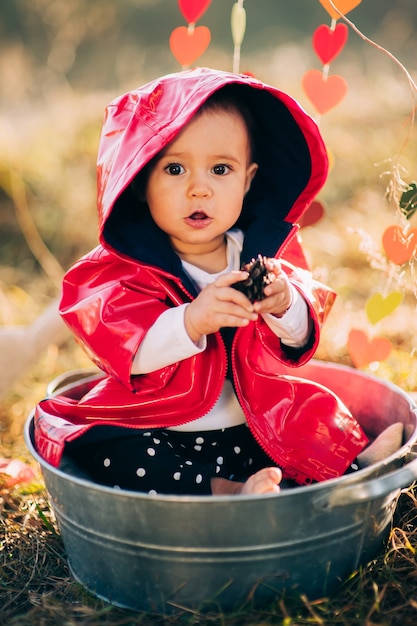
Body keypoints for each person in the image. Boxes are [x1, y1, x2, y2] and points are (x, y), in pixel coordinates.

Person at [34, 67, 379, 496]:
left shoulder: (262, 254)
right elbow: (126, 350)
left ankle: (358, 462)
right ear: (140, 182)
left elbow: (302, 338)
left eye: (220, 169)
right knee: (111, 451)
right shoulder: (124, 269)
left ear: (248, 180)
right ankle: (229, 492)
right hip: (161, 426)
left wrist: (285, 303)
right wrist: (190, 321)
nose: (199, 189)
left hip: (253, 423)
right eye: (175, 169)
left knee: (314, 411)